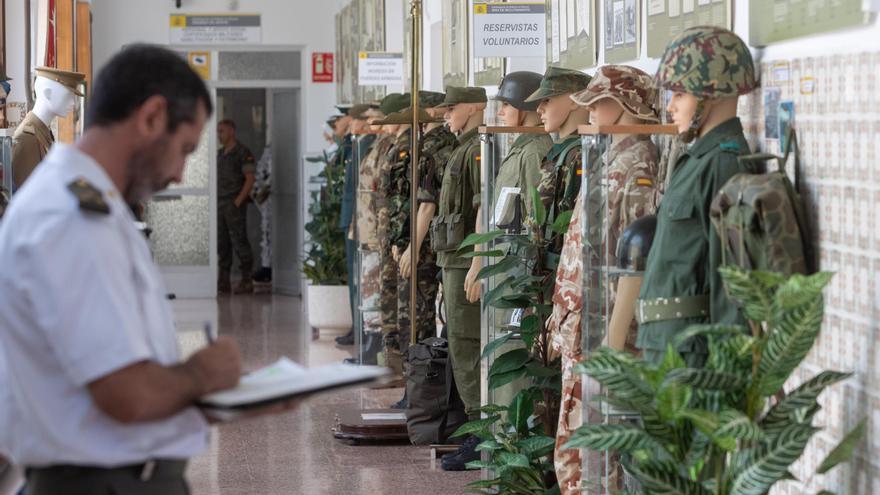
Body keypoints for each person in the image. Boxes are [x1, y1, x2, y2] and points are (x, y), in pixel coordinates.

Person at [0, 44, 243, 495]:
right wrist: (202, 374)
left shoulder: (94, 206)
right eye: (184, 148)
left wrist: (208, 395)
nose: (179, 172)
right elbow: (127, 396)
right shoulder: (72, 217)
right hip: (101, 484)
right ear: (151, 118)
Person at [549, 64, 661, 494]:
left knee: (594, 455)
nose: (591, 112)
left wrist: (613, 342)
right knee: (577, 449)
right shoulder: (610, 156)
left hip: (607, 331)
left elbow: (631, 262)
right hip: (586, 324)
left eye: (598, 103)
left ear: (623, 106)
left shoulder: (637, 165)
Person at [636, 26, 758, 367]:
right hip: (668, 343)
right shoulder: (697, 159)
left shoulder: (723, 163)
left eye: (680, 95)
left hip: (693, 355)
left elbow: (731, 279)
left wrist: (724, 378)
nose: (671, 106)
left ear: (711, 93)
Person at [430, 86, 486, 471]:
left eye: (452, 110)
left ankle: (481, 434)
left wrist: (477, 261)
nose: (447, 117)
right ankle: (473, 427)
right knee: (459, 342)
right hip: (454, 259)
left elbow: (482, 207)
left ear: (473, 107)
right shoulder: (462, 148)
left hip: (466, 259)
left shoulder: (476, 151)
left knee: (466, 344)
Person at [524, 67, 592, 252]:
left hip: (561, 263)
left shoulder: (579, 154)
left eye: (547, 100)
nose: (539, 109)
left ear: (574, 101)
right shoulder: (562, 150)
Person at [217, 118, 257, 294]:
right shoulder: (220, 154)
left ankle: (246, 279)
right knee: (222, 243)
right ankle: (223, 280)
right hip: (220, 203)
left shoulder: (242, 152)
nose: (219, 135)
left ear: (231, 132)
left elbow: (250, 179)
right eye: (218, 131)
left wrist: (238, 201)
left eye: (222, 131)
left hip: (233, 203)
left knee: (239, 241)